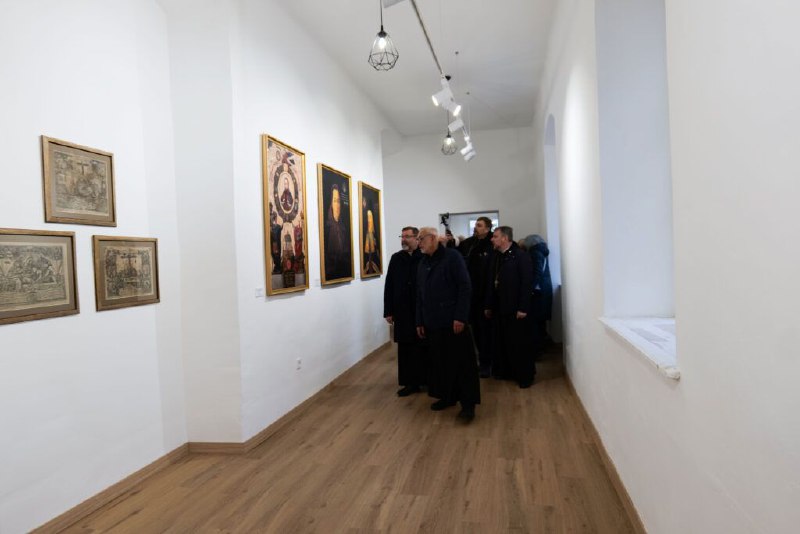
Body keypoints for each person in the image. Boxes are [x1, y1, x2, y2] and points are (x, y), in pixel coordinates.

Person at [416, 227, 480, 421]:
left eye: (421, 239)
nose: (419, 243)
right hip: (432, 322)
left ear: (433, 238)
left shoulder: (452, 257)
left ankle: (468, 405)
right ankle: (447, 396)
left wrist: (460, 317)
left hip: (453, 321)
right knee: (440, 363)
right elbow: (420, 294)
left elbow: (465, 286)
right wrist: (419, 320)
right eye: (418, 239)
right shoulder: (423, 262)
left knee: (463, 364)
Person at [484, 226, 536, 388]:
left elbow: (527, 283)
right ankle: (506, 371)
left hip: (516, 308)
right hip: (500, 308)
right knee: (503, 343)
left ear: (505, 238)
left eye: (495, 236)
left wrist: (523, 308)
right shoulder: (496, 256)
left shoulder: (520, 256)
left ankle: (524, 376)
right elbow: (491, 283)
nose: (492, 239)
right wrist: (488, 305)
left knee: (519, 344)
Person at [384, 227, 426, 396]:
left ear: (417, 238)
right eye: (402, 236)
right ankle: (410, 383)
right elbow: (389, 285)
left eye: (407, 236)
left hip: (421, 310)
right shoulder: (396, 258)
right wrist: (388, 310)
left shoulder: (423, 256)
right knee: (405, 348)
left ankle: (427, 380)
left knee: (423, 346)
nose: (404, 239)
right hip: (402, 311)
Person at [458, 216, 494, 377]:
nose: (476, 228)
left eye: (479, 225)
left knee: (486, 332)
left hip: (484, 296)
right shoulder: (470, 243)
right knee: (476, 332)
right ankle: (480, 361)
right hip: (471, 296)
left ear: (487, 228)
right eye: (476, 225)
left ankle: (488, 363)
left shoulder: (491, 244)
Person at [521, 234, 553, 353]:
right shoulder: (541, 251)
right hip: (544, 290)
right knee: (540, 322)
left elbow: (537, 272)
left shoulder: (535, 253)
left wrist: (530, 289)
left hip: (538, 292)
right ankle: (540, 347)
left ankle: (538, 349)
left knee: (536, 322)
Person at [324, 184, 351, 280]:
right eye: (335, 201)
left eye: (339, 201)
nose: (337, 205)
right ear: (331, 204)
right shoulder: (327, 228)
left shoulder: (344, 228)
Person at [363, 209, 380, 274]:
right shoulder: (364, 235)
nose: (369, 221)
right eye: (368, 219)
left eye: (370, 218)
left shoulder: (374, 235)